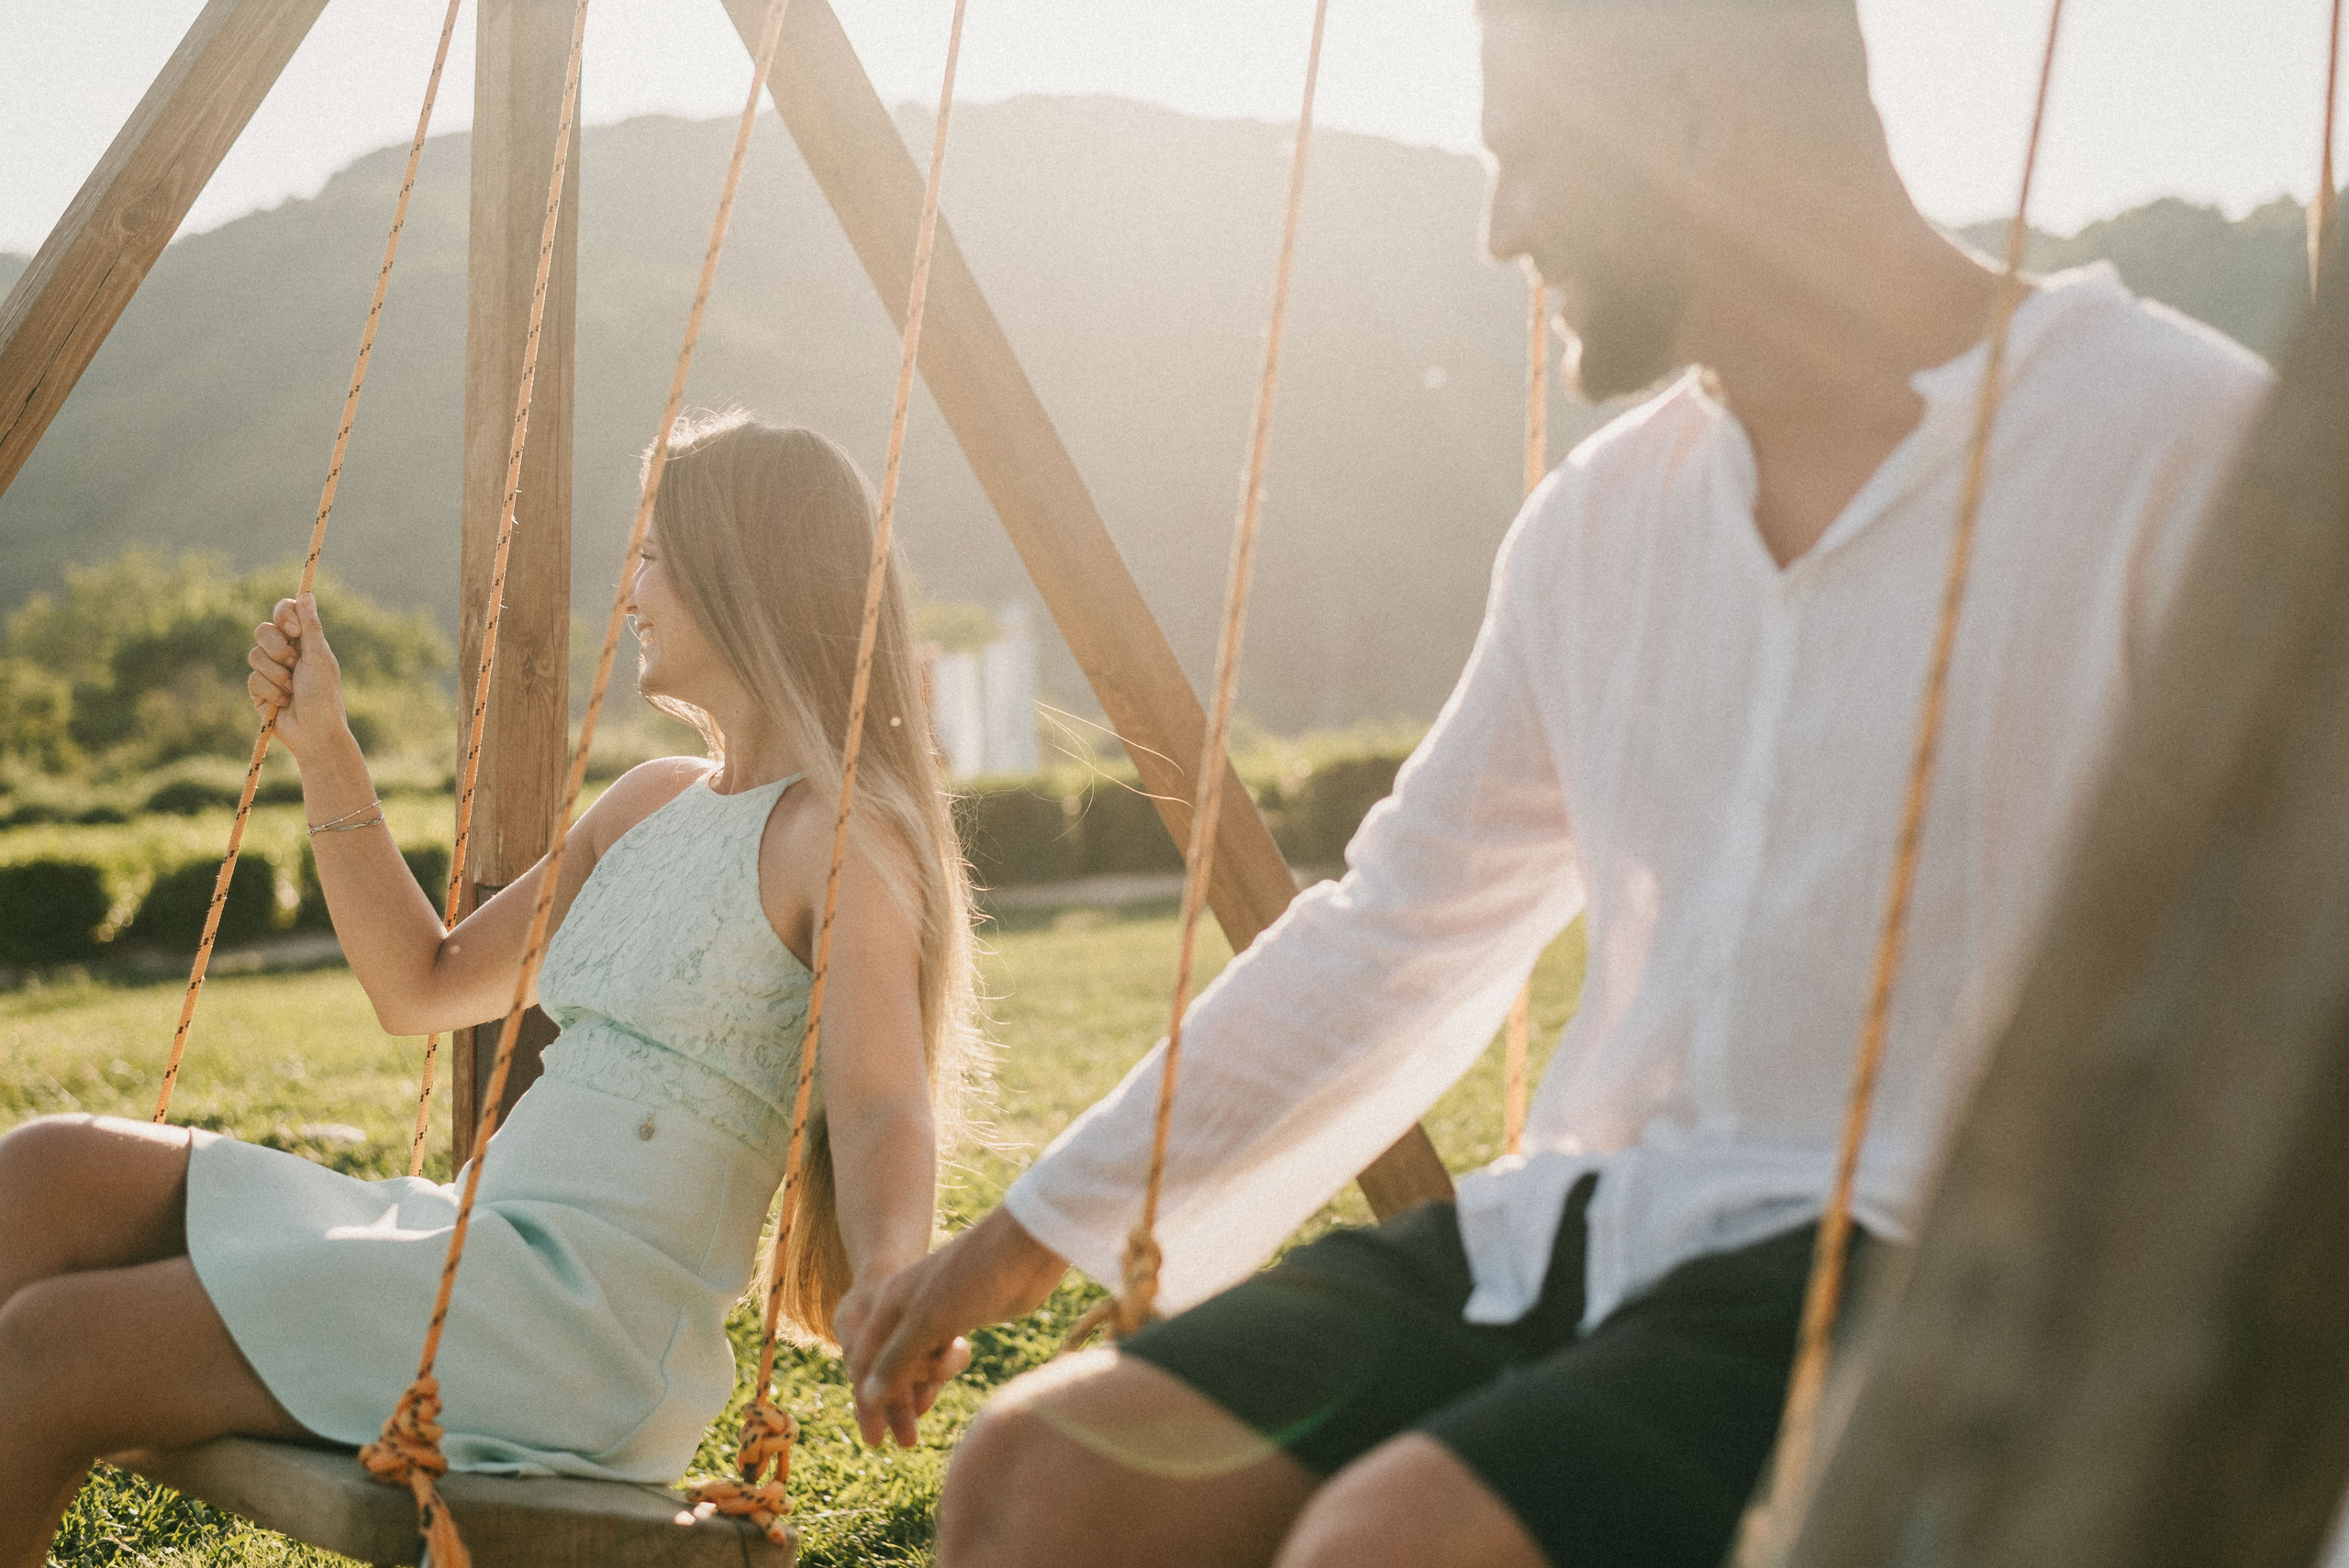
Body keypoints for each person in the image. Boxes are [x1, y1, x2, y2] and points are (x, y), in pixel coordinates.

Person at [837, 4, 2274, 1567]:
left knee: (1399, 1544)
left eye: (1524, 160)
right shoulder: (1603, 523)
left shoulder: (2180, 446)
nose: (1500, 227)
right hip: (1586, 1229)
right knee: (1039, 1474)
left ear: (1693, 117)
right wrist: (1025, 1234)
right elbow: (1393, 932)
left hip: (1935, 1258)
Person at [0, 414, 980, 1562]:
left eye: (655, 555)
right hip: (473, 1241)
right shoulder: (649, 803)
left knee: (55, 1347)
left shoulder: (841, 835)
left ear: (740, 575)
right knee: (43, 1170)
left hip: (580, 1330)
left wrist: (899, 1283)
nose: (632, 588)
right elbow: (420, 982)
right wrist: (326, 744)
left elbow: (878, 1106)